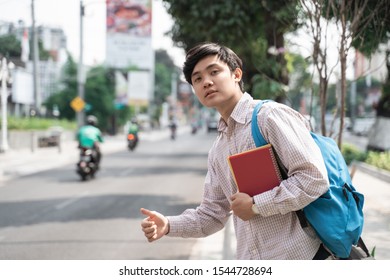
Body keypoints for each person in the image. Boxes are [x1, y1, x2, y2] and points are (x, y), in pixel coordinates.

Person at [140, 43, 329, 260]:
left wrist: (257, 205)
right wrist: (169, 225)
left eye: (214, 72)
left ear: (236, 74)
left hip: (301, 257)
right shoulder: (218, 149)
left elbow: (313, 178)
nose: (207, 82)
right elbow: (212, 215)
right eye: (197, 79)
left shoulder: (269, 117)